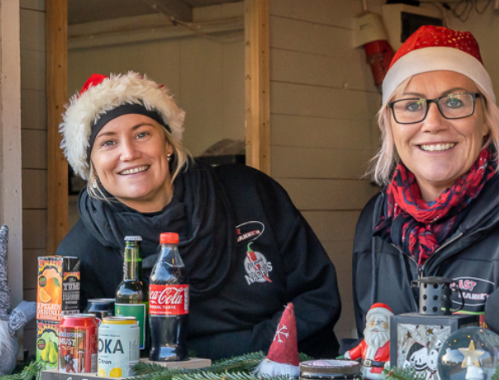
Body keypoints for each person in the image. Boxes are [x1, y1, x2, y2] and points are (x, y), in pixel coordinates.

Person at [57, 72, 341, 360]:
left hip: (289, 379)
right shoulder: (81, 253)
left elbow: (317, 298)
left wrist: (265, 355)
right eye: (108, 142)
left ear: (167, 144)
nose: (129, 153)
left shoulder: (249, 192)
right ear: (89, 162)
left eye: (142, 134)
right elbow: (90, 359)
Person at [352, 26, 499, 350]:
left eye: (455, 101)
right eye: (411, 105)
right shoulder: (377, 219)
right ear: (389, 125)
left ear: (486, 119)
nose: (433, 122)